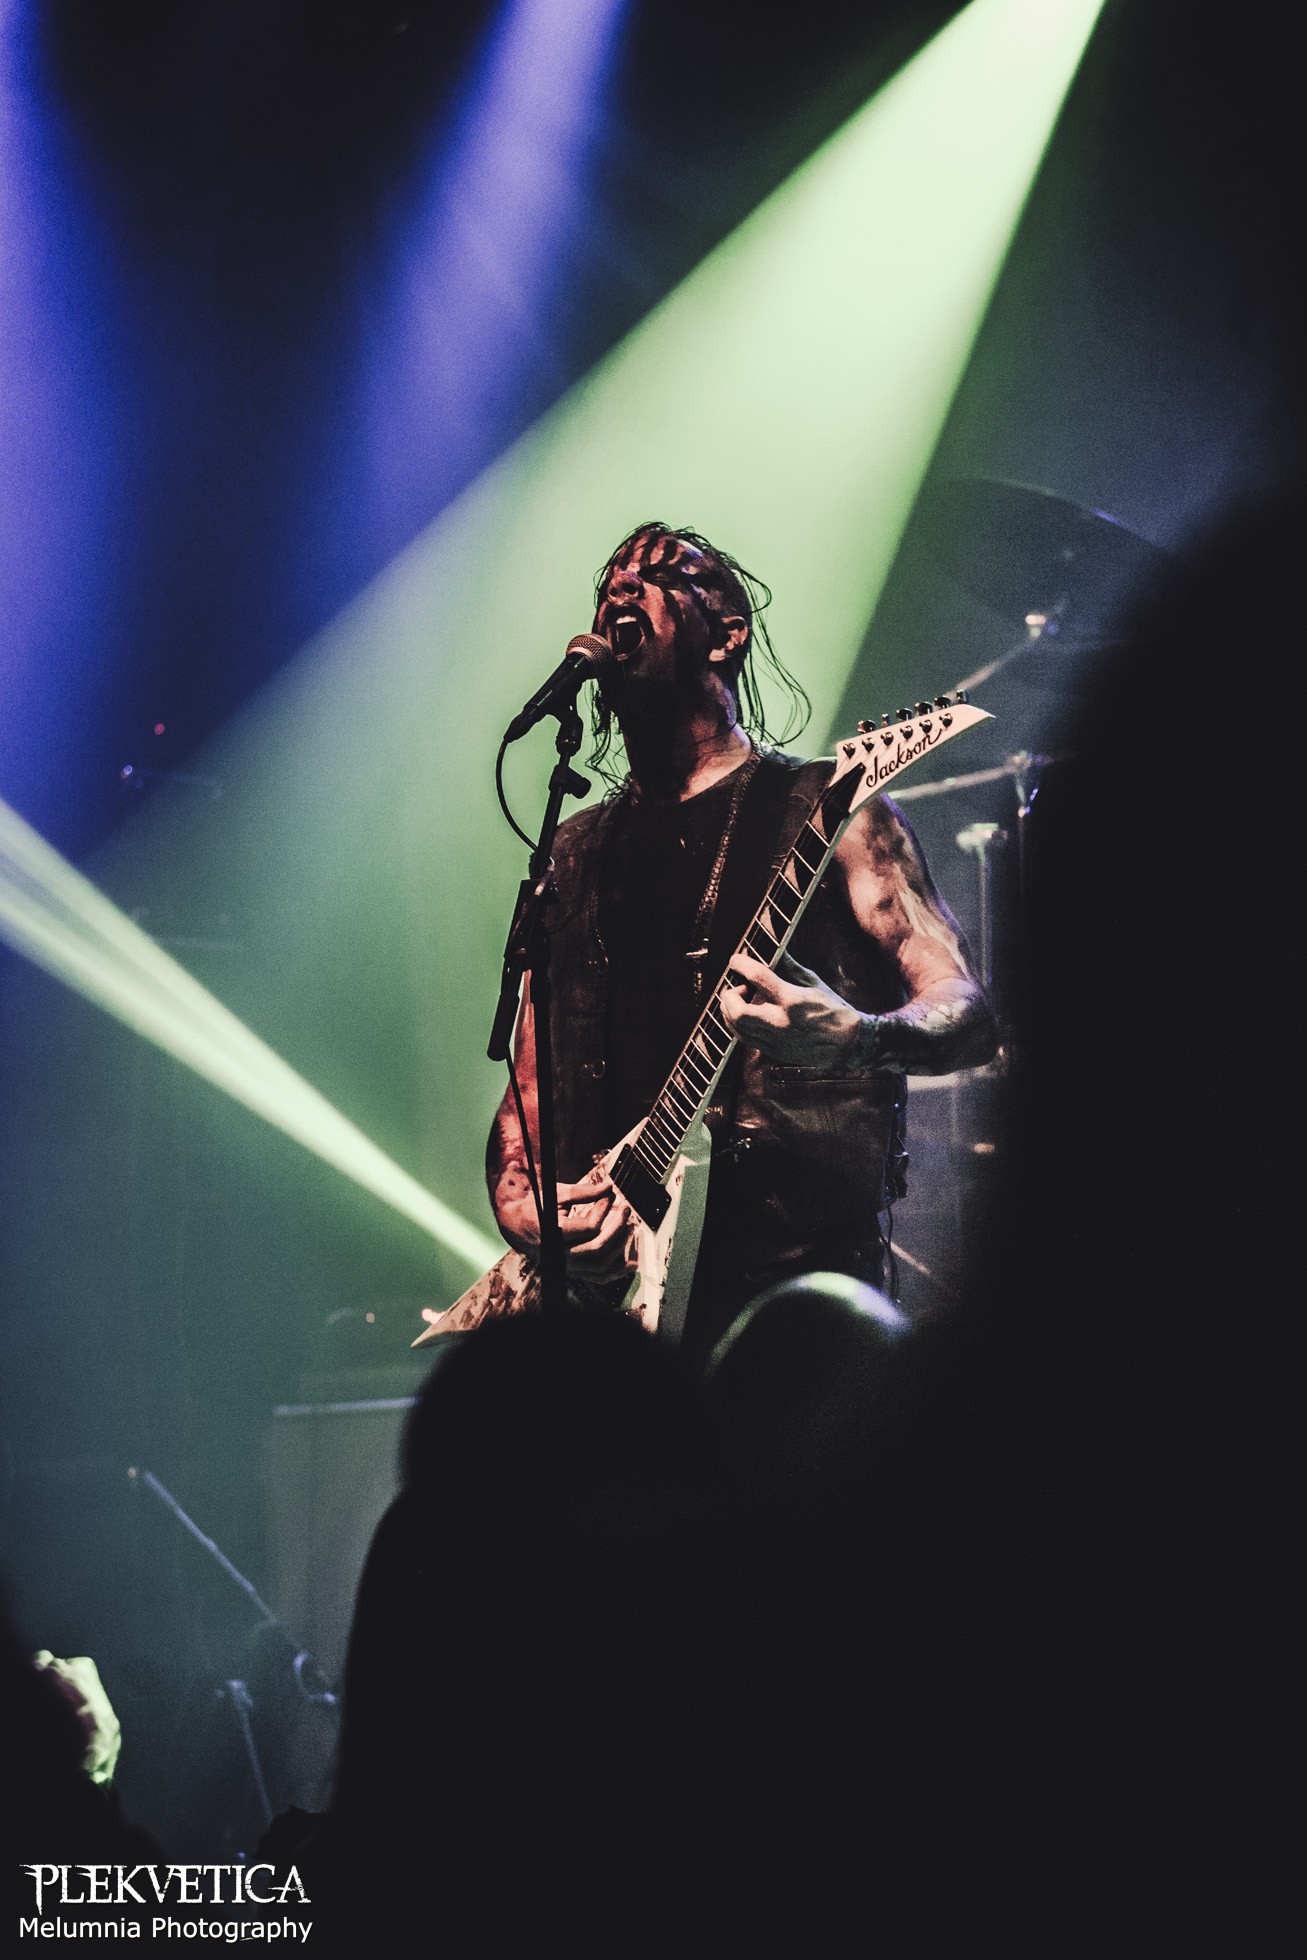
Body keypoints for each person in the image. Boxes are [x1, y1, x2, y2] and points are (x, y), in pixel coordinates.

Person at [487, 521, 999, 1368]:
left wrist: (859, 1039)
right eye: (610, 583)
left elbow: (967, 1013)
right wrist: (525, 1208)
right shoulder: (572, 855)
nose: (620, 588)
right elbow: (528, 1096)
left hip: (796, 1306)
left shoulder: (831, 810)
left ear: (726, 634)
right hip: (616, 1311)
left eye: (656, 575)